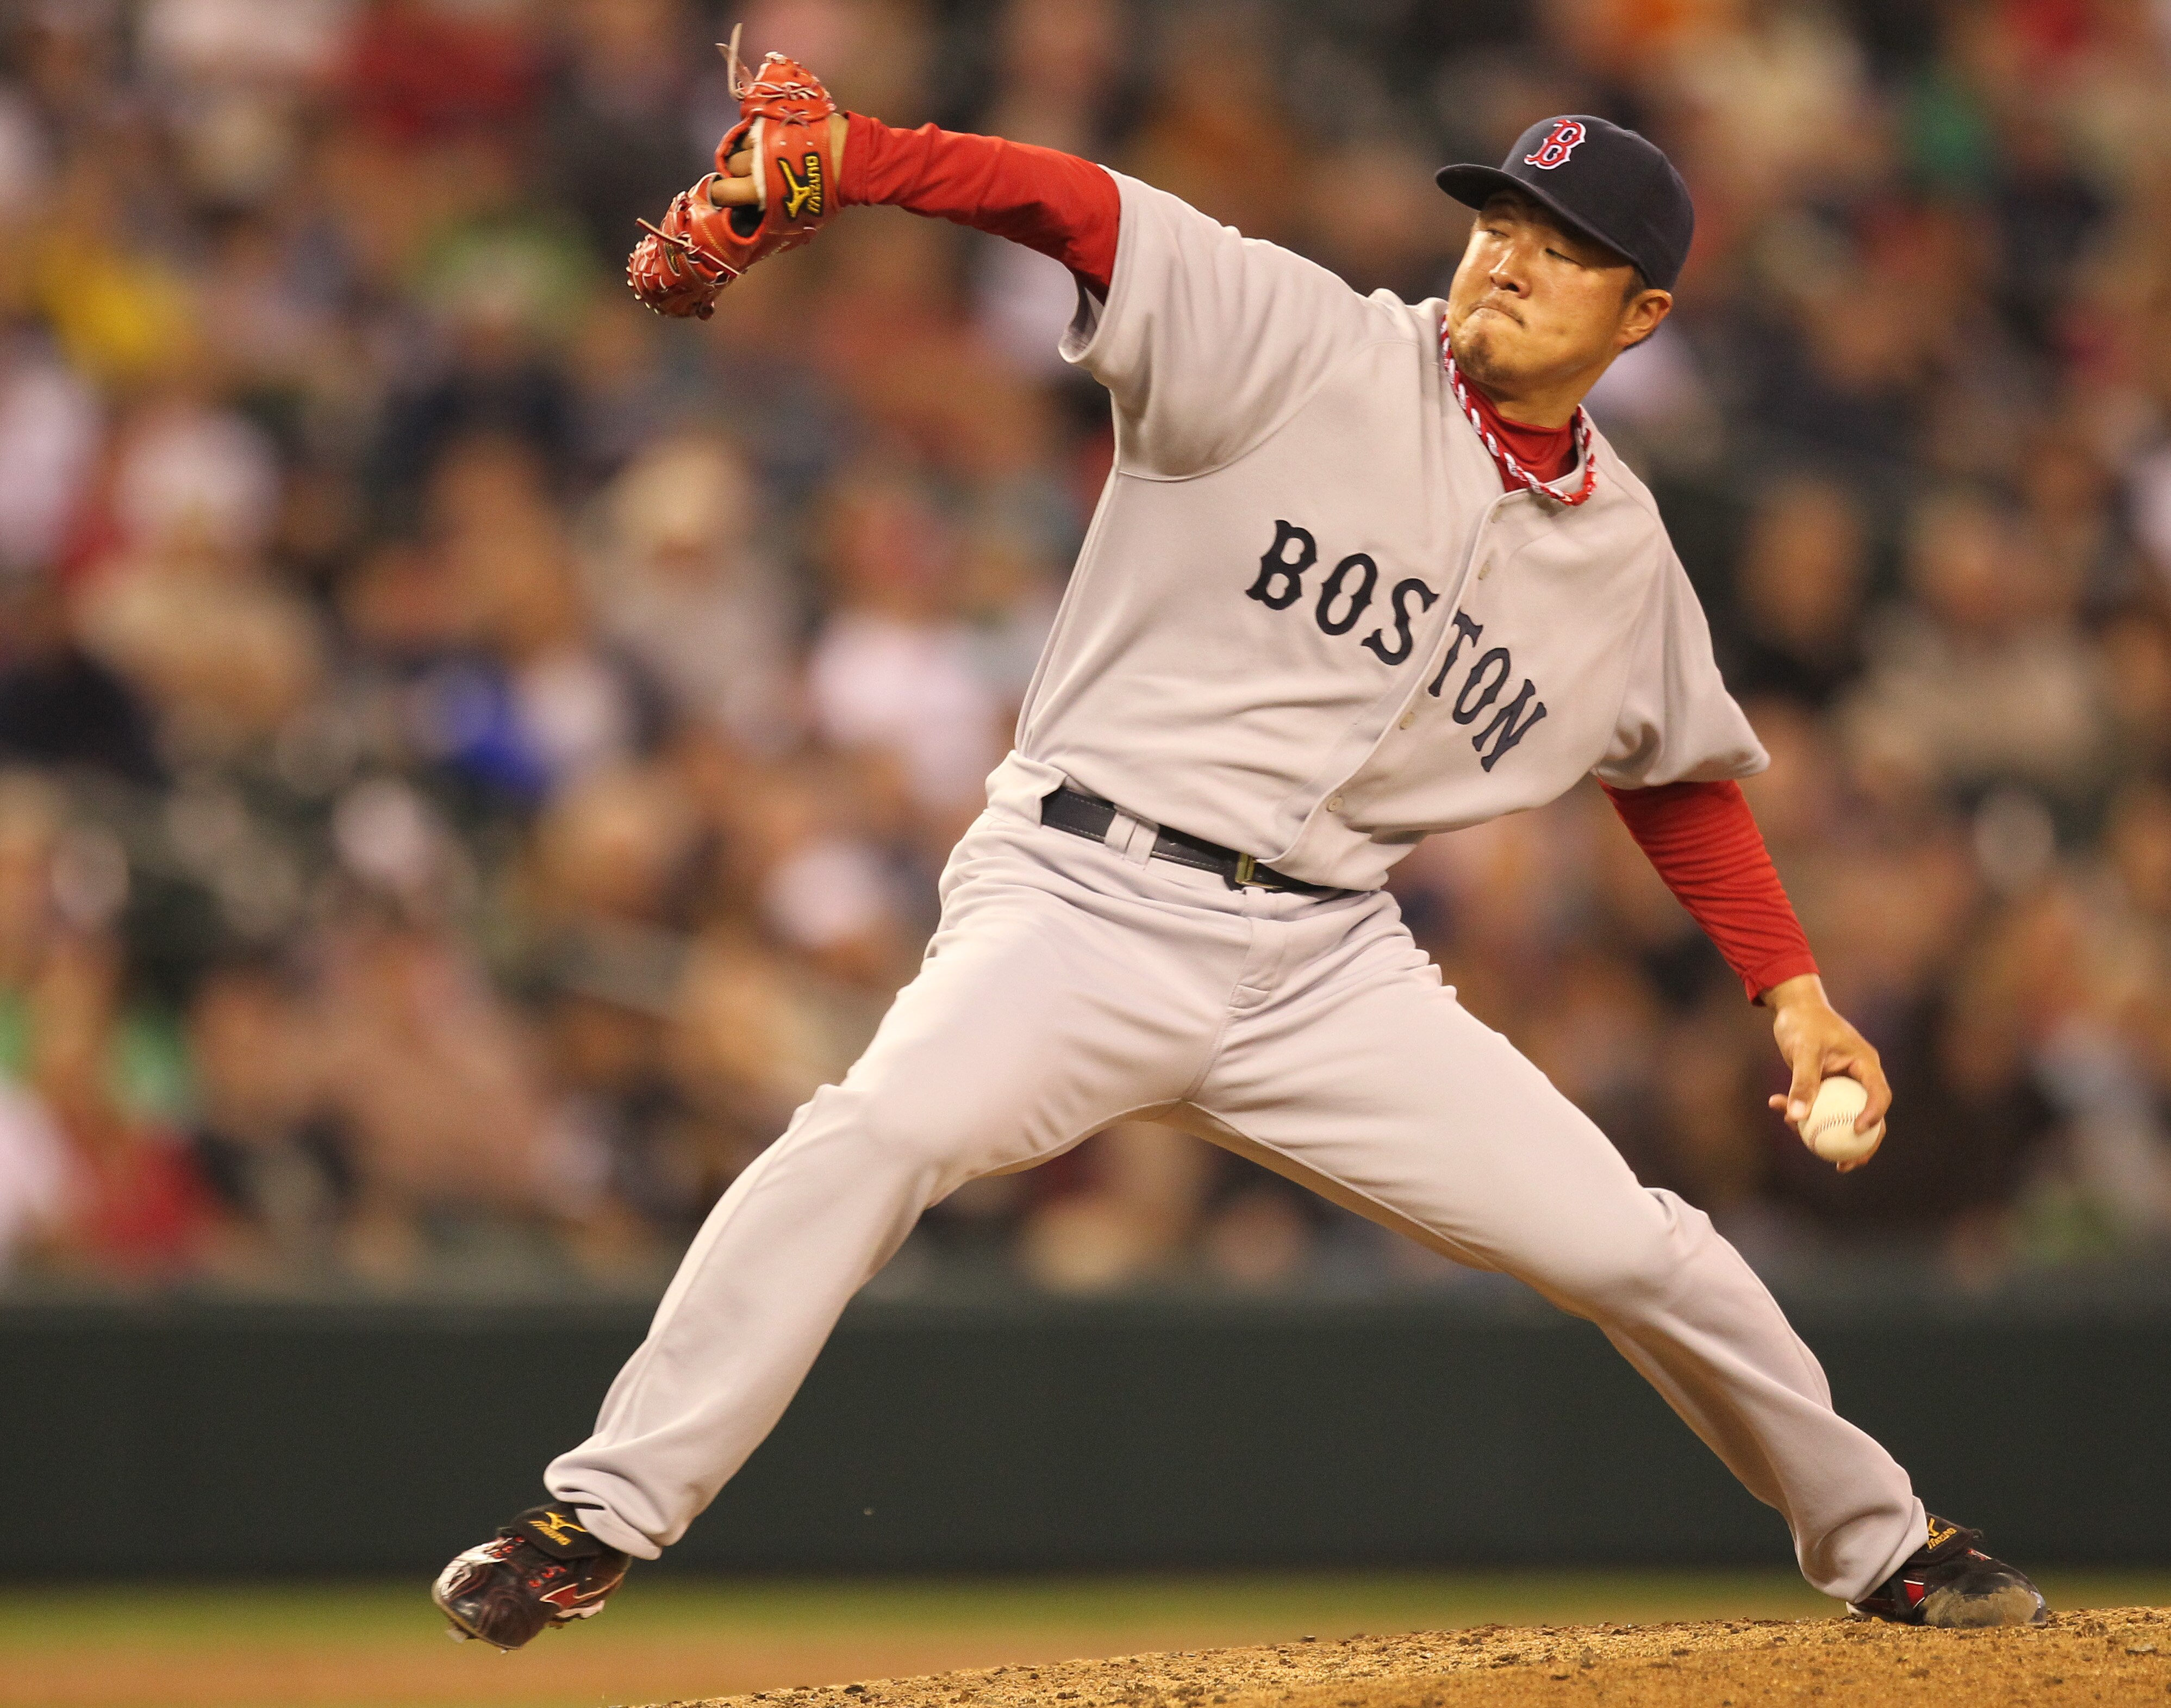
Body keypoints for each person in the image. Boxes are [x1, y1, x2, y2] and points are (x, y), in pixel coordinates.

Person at [433, 57, 2048, 1648]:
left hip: (1325, 969)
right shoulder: (1304, 343)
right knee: (871, 1132)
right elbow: (1083, 212)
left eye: (1564, 247)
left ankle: (1888, 1543)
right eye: (1499, 218)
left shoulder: (1621, 550)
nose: (1510, 256)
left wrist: (1792, 994)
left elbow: (1676, 774)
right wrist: (856, 156)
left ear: (1640, 319)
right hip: (1080, 894)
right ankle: (596, 1519)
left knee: (1637, 1250)